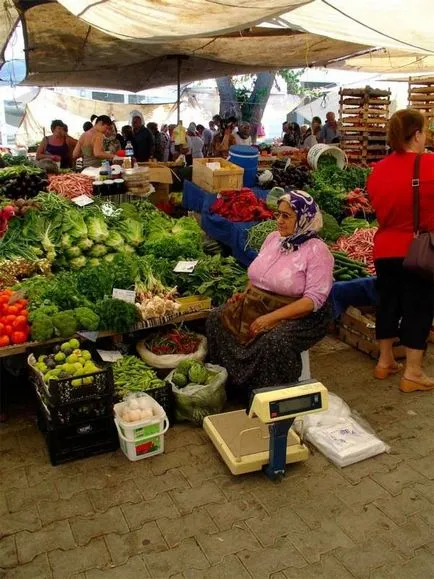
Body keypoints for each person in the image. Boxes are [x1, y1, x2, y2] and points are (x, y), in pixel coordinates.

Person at [206, 190, 333, 393]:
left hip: (300, 314)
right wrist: (246, 295)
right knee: (217, 318)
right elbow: (258, 275)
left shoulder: (317, 251)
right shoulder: (274, 239)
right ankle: (234, 383)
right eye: (278, 214)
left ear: (303, 219)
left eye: (287, 216)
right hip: (261, 302)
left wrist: (271, 318)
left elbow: (312, 301)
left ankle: (268, 393)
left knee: (274, 341)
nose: (279, 221)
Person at [367, 109, 434, 392]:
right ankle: (414, 373)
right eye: (425, 131)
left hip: (384, 247)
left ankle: (385, 362)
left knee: (388, 304)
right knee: (418, 307)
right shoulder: (430, 165)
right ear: (417, 134)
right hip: (418, 250)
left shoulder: (377, 170)